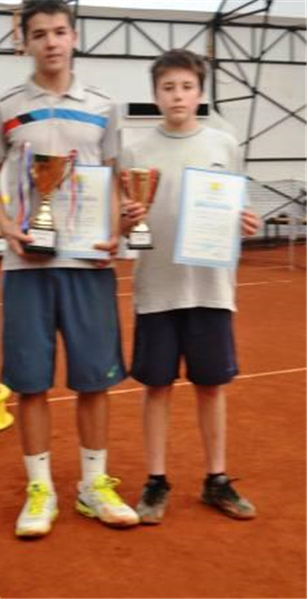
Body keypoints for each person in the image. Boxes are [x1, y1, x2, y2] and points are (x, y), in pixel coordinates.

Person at [0, 0, 139, 538]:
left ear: (74, 37)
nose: (51, 42)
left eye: (59, 32)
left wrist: (115, 231)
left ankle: (93, 485)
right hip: (26, 265)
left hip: (88, 262)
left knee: (94, 379)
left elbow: (116, 178)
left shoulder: (104, 107)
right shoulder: (4, 108)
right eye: (40, 33)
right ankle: (40, 490)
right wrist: (7, 227)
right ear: (24, 42)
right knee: (30, 382)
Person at [120, 48, 259, 525]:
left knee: (211, 387)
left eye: (186, 87)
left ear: (200, 93)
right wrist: (126, 219)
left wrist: (245, 222)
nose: (177, 96)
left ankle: (216, 478)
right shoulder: (135, 152)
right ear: (155, 94)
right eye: (168, 88)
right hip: (157, 289)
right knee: (156, 387)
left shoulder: (224, 144)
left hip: (210, 288)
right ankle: (156, 480)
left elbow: (237, 208)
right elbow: (124, 224)